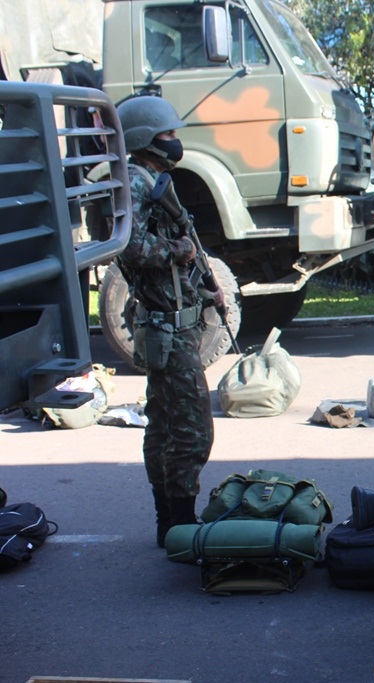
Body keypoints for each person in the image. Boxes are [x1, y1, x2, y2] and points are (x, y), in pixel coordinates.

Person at [114, 96, 221, 548]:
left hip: (170, 324)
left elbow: (174, 259)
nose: (176, 142)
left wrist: (206, 289)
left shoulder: (151, 181)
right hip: (166, 328)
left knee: (162, 423)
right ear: (145, 139)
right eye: (168, 135)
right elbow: (131, 249)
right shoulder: (137, 184)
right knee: (192, 430)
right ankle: (179, 521)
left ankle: (168, 522)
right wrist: (180, 252)